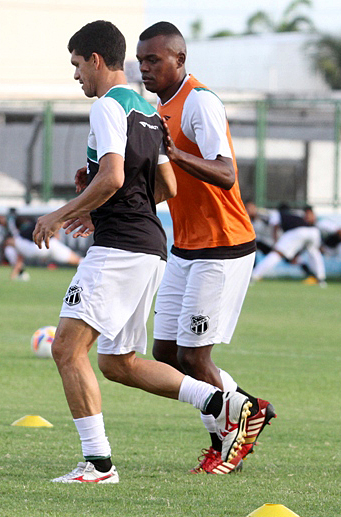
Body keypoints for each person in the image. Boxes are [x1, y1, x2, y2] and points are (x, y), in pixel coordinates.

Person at [32, 20, 254, 484]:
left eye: (76, 65)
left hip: (120, 249)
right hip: (151, 247)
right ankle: (218, 401)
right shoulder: (148, 111)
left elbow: (113, 177)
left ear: (95, 60)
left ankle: (97, 464)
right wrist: (102, 205)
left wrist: (61, 213)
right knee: (119, 363)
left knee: (67, 349)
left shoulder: (110, 108)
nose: (76, 76)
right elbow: (166, 184)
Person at [137, 21, 274, 475]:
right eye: (141, 62)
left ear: (180, 59)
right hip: (186, 247)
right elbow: (170, 187)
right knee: (166, 353)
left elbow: (226, 172)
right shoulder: (161, 109)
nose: (145, 69)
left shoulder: (199, 102)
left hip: (224, 246)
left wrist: (175, 155)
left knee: (196, 357)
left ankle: (226, 442)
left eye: (153, 60)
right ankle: (248, 409)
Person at [0, 209, 82, 281]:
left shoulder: (19, 225)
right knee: (77, 260)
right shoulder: (30, 223)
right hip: (49, 245)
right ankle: (19, 271)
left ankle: (19, 271)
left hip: (36, 246)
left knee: (9, 244)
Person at [251, 204, 326, 286]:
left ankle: (254, 276)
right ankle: (321, 278)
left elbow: (275, 226)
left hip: (297, 231)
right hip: (313, 232)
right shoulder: (296, 213)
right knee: (314, 253)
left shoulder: (277, 213)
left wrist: (275, 242)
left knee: (276, 254)